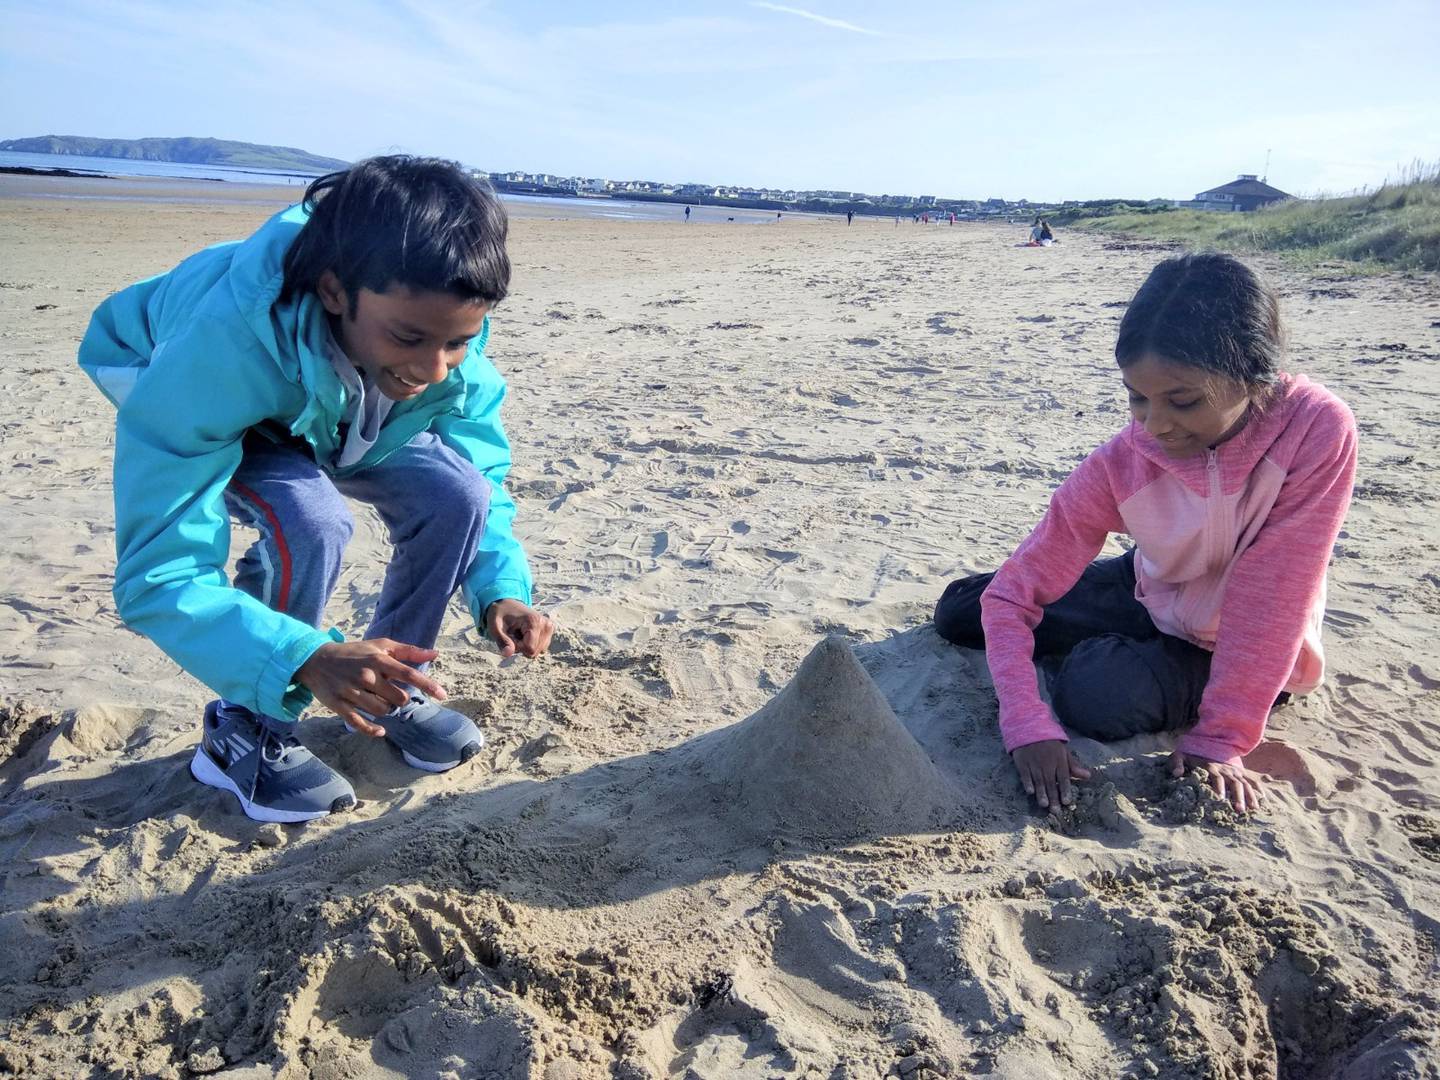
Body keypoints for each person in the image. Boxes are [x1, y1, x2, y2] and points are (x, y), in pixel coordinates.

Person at [78, 156, 556, 823]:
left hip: (339, 398)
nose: (433, 368)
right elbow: (158, 574)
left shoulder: (442, 354)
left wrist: (501, 587)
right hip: (234, 397)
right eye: (411, 336)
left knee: (458, 496)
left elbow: (479, 471)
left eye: (460, 341)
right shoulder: (215, 352)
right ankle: (248, 727)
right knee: (312, 519)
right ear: (334, 291)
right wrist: (302, 656)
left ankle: (389, 687)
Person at [933, 253, 1357, 814]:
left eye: (1181, 401)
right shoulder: (1123, 461)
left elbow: (1271, 593)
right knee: (961, 608)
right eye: (1137, 397)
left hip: (1238, 640)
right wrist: (1025, 722)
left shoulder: (1316, 430)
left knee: (1091, 695)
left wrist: (1221, 739)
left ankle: (1105, 658)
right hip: (1153, 588)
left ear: (1252, 376)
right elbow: (1014, 592)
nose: (1153, 425)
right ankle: (1106, 649)